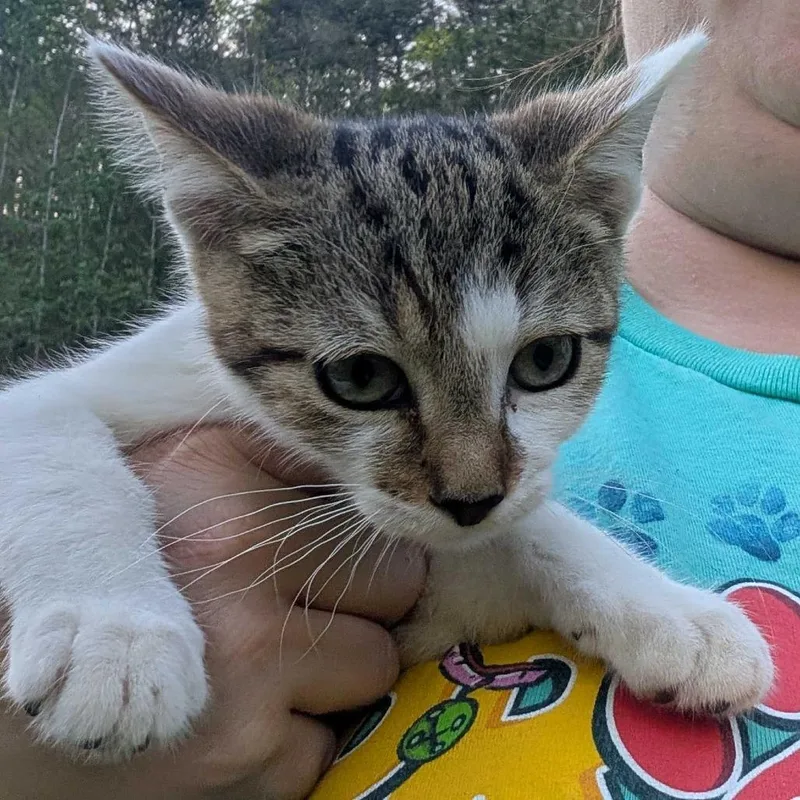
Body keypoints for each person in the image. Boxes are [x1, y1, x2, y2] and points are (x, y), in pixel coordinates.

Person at [1, 0, 798, 797]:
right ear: (217, 229)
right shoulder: (190, 356)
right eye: (364, 376)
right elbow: (36, 421)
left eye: (541, 362)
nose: (472, 480)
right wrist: (97, 592)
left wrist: (580, 577)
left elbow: (451, 592)